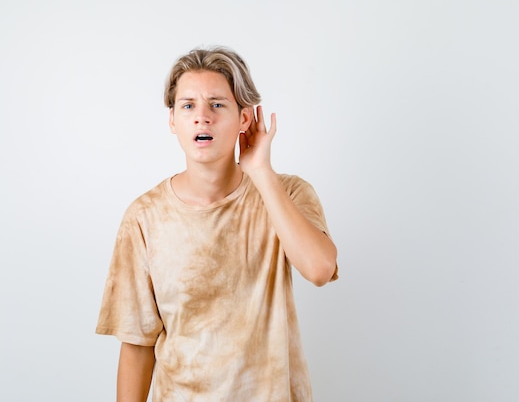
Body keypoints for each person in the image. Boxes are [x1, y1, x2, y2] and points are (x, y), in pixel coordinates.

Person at [95, 45, 339, 402]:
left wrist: (260, 172)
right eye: (188, 105)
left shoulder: (287, 193)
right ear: (173, 120)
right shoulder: (144, 217)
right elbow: (137, 343)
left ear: (244, 118)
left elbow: (319, 269)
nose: (202, 117)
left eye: (218, 104)